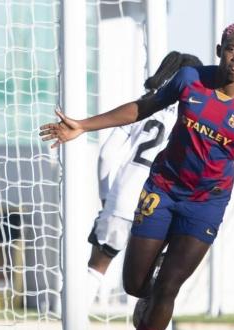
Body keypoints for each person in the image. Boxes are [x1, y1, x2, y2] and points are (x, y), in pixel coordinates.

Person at [40, 22, 234, 330]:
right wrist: (83, 126)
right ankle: (151, 288)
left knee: (168, 287)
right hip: (162, 189)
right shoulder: (190, 80)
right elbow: (142, 108)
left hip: (206, 204)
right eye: (232, 49)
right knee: (134, 285)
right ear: (220, 50)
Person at [86, 52, 203, 308]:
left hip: (123, 199)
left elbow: (106, 155)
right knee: (157, 281)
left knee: (97, 268)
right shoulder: (192, 115)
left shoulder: (143, 106)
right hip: (160, 204)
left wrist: (107, 199)